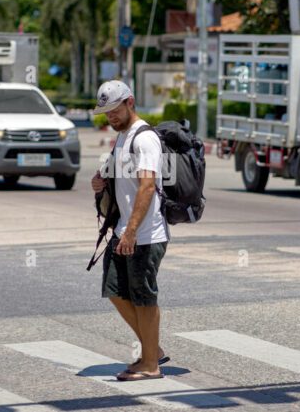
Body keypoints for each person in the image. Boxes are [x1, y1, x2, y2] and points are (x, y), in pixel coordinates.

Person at [91, 81, 170, 382]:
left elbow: (148, 186)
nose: (110, 116)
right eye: (106, 112)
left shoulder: (144, 138)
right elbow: (117, 178)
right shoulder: (122, 138)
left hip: (145, 234)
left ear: (130, 102)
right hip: (124, 229)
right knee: (114, 290)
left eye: (114, 109)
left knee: (143, 297)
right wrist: (100, 181)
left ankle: (150, 363)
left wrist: (132, 231)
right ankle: (153, 349)